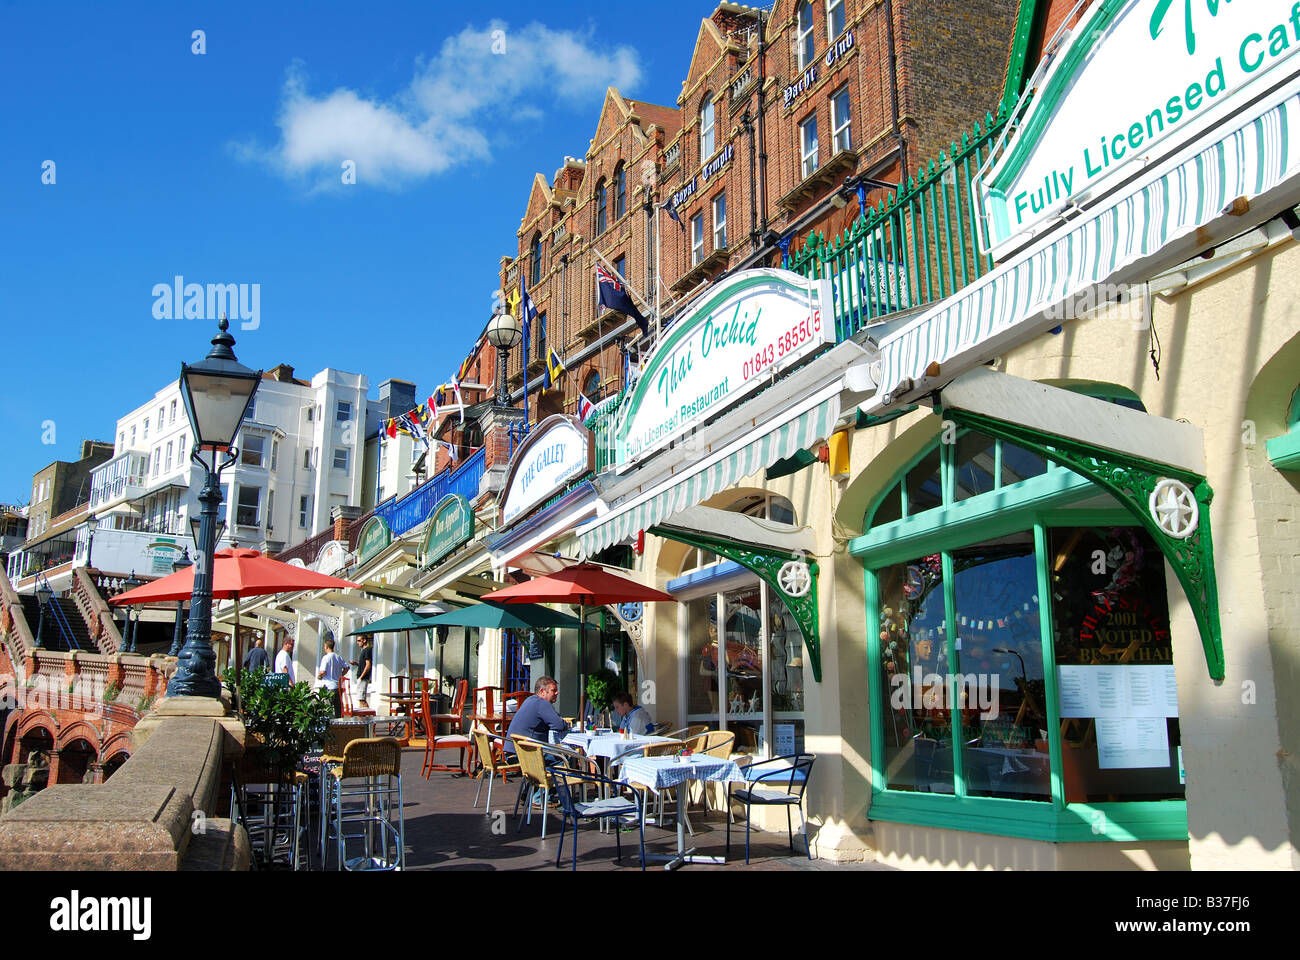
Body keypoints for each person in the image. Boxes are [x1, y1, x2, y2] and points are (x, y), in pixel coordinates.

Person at [505, 676, 569, 753]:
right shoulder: (542, 703)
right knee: (567, 755)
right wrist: (565, 724)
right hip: (525, 756)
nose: (557, 693)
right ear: (542, 691)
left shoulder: (529, 700)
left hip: (511, 753)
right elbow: (560, 725)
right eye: (553, 690)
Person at [316, 638, 346, 718]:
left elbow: (323, 671)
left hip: (328, 686)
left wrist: (319, 676)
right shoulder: (338, 657)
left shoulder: (326, 658)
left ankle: (330, 725)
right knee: (338, 708)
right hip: (337, 686)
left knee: (328, 708)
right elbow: (347, 667)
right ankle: (339, 725)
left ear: (326, 646)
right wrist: (341, 675)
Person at [350, 637, 373, 707]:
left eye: (359, 641)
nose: (358, 642)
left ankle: (368, 716)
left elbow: (368, 665)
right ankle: (362, 717)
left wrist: (361, 677)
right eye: (357, 641)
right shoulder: (363, 650)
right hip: (361, 677)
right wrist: (357, 664)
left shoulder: (367, 650)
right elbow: (364, 665)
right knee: (360, 699)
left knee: (362, 700)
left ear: (364, 640)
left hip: (363, 678)